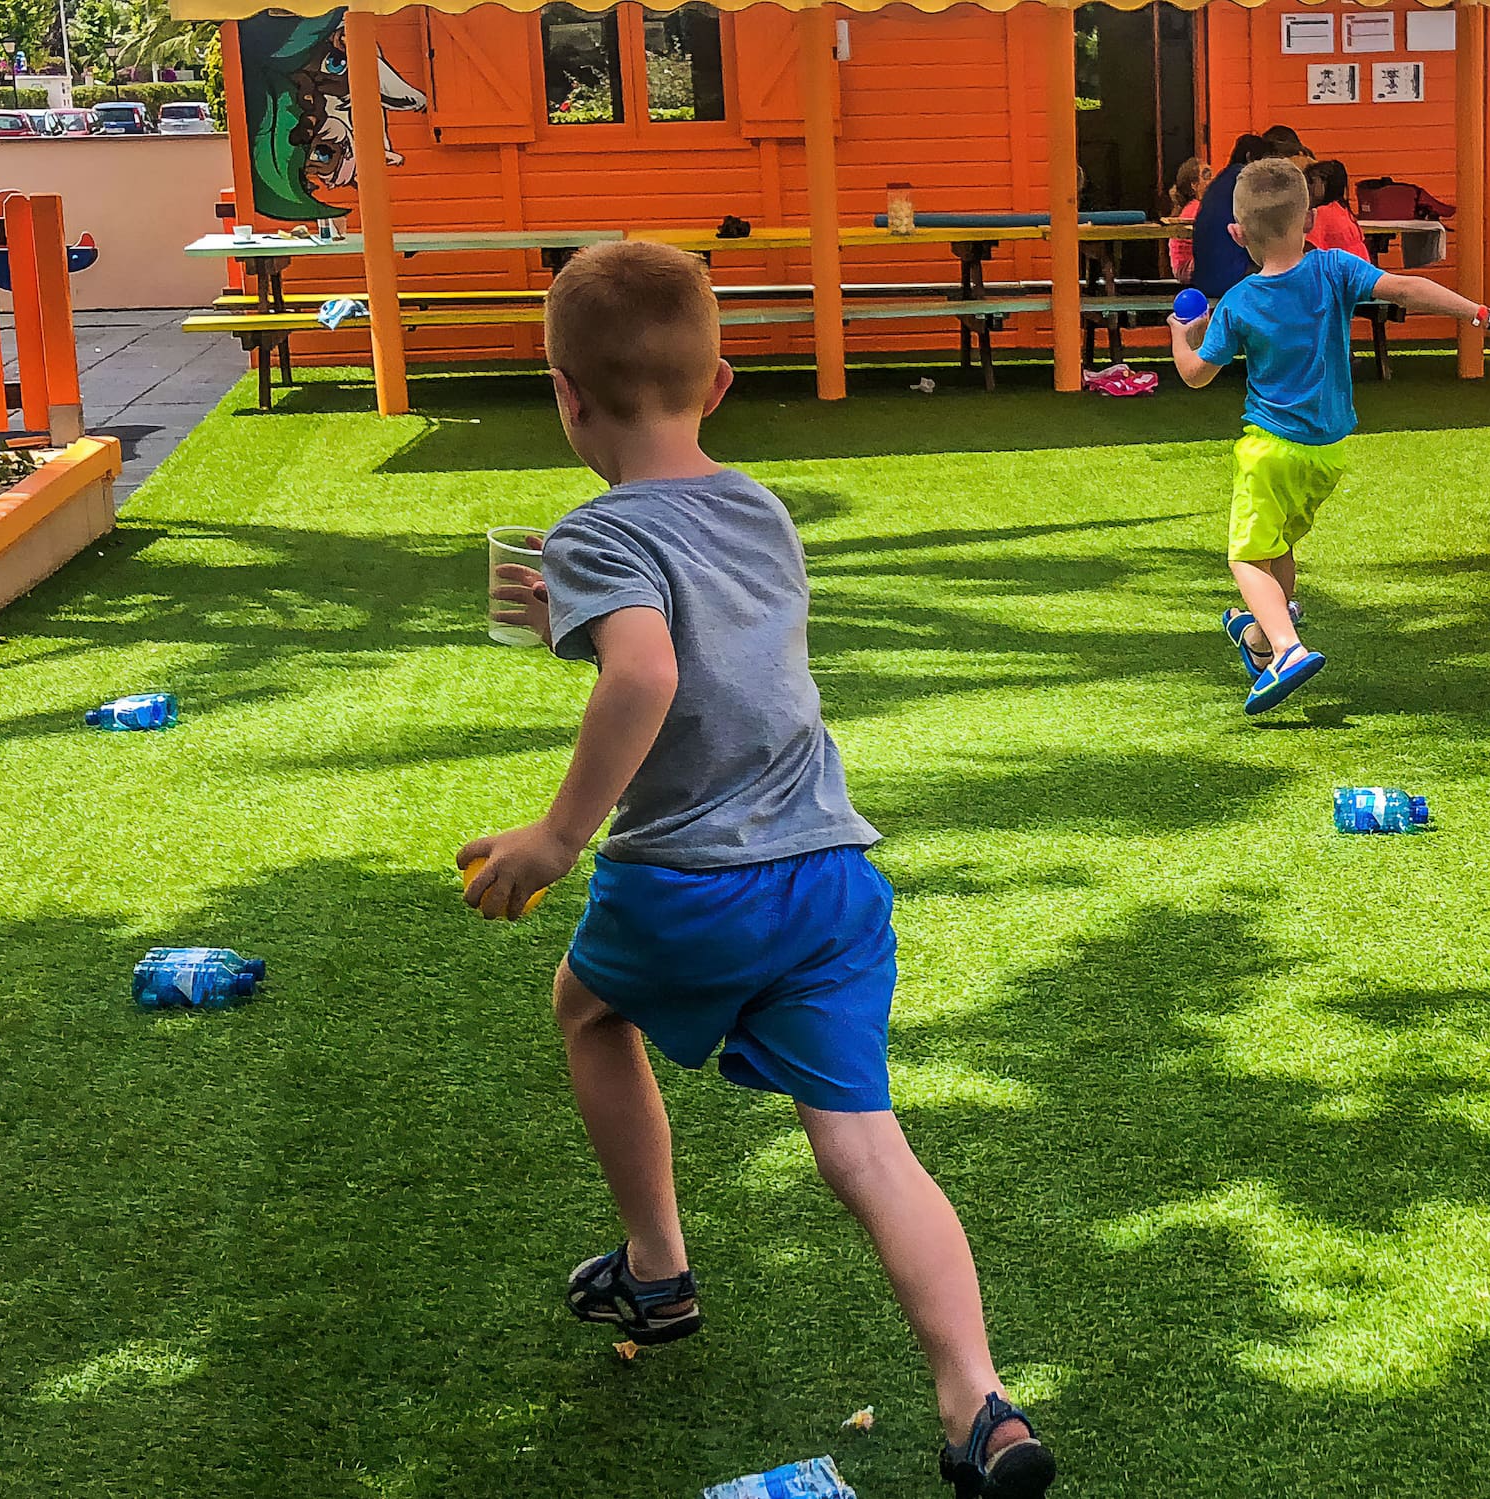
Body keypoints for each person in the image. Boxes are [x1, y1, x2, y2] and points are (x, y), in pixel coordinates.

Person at [458, 240, 1057, 1499]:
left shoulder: (592, 532)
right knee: (868, 1147)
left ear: (563, 396)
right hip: (831, 878)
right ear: (719, 383)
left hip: (693, 881)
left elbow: (647, 669)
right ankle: (979, 1400)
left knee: (587, 1009)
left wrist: (557, 837)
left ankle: (657, 1267)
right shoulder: (759, 508)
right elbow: (699, 629)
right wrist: (563, 600)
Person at [1166, 159, 1490, 715]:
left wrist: (1180, 336)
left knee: (1246, 559)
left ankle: (1286, 649)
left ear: (1236, 234)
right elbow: (1407, 288)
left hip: (1269, 452)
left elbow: (1195, 376)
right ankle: (1260, 634)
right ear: (1309, 220)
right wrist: (1484, 315)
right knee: (1278, 545)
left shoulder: (1237, 301)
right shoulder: (1334, 269)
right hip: (1327, 455)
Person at [1192, 132, 1268, 299]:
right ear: (1250, 157)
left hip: (1204, 278)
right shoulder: (1245, 180)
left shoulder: (1221, 180)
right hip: (1230, 276)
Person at [1304, 160, 1370, 261]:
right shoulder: (1341, 208)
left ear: (1325, 183)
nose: (1307, 186)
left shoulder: (1321, 213)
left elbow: (1308, 249)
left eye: (1311, 181)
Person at [1169, 155, 1213, 283]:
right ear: (1194, 184)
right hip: (1188, 268)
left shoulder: (1197, 206)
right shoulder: (1195, 208)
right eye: (1206, 176)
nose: (1212, 180)